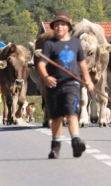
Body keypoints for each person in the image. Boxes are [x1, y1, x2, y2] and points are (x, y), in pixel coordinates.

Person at [35, 10, 94, 159]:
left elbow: (82, 63)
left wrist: (88, 80)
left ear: (68, 27)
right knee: (56, 117)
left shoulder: (75, 43)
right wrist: (46, 77)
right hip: (53, 85)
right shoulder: (49, 44)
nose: (59, 27)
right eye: (56, 25)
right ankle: (55, 146)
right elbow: (41, 64)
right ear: (53, 27)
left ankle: (75, 141)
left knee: (72, 113)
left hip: (71, 84)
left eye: (62, 24)